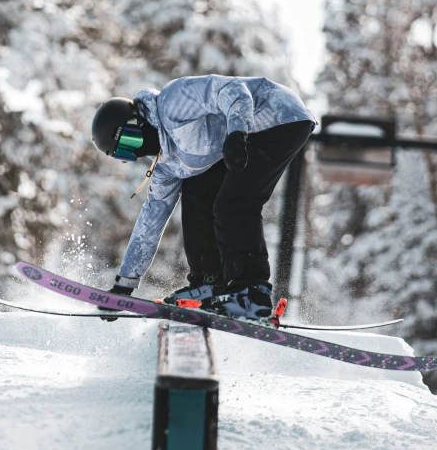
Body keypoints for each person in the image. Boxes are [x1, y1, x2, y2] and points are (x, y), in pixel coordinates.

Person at [91, 74, 316, 320]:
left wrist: (237, 132)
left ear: (139, 120)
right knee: (197, 191)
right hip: (241, 137)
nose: (136, 149)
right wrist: (125, 284)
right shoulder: (168, 165)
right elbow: (151, 220)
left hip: (276, 115)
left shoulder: (173, 101)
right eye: (126, 152)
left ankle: (252, 294)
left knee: (234, 203)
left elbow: (232, 88)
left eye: (130, 139)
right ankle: (210, 282)